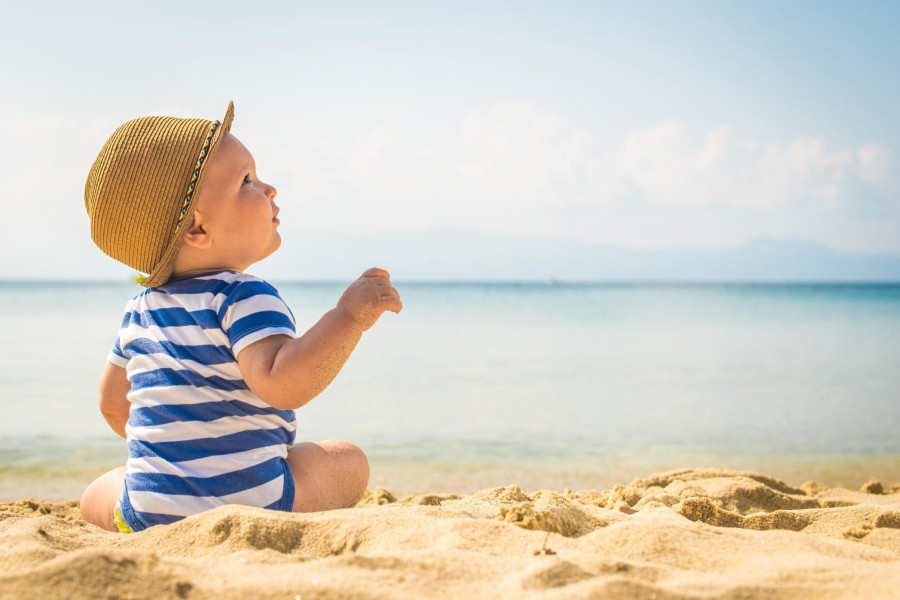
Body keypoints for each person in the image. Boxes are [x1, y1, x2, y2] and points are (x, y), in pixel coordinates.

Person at [79, 102, 402, 533]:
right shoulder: (242, 294)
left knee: (97, 493)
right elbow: (283, 382)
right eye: (247, 181)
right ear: (197, 230)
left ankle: (144, 507)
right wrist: (348, 317)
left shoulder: (140, 309)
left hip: (152, 511)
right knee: (347, 460)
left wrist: (180, 453)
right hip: (255, 504)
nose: (270, 189)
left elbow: (112, 404)